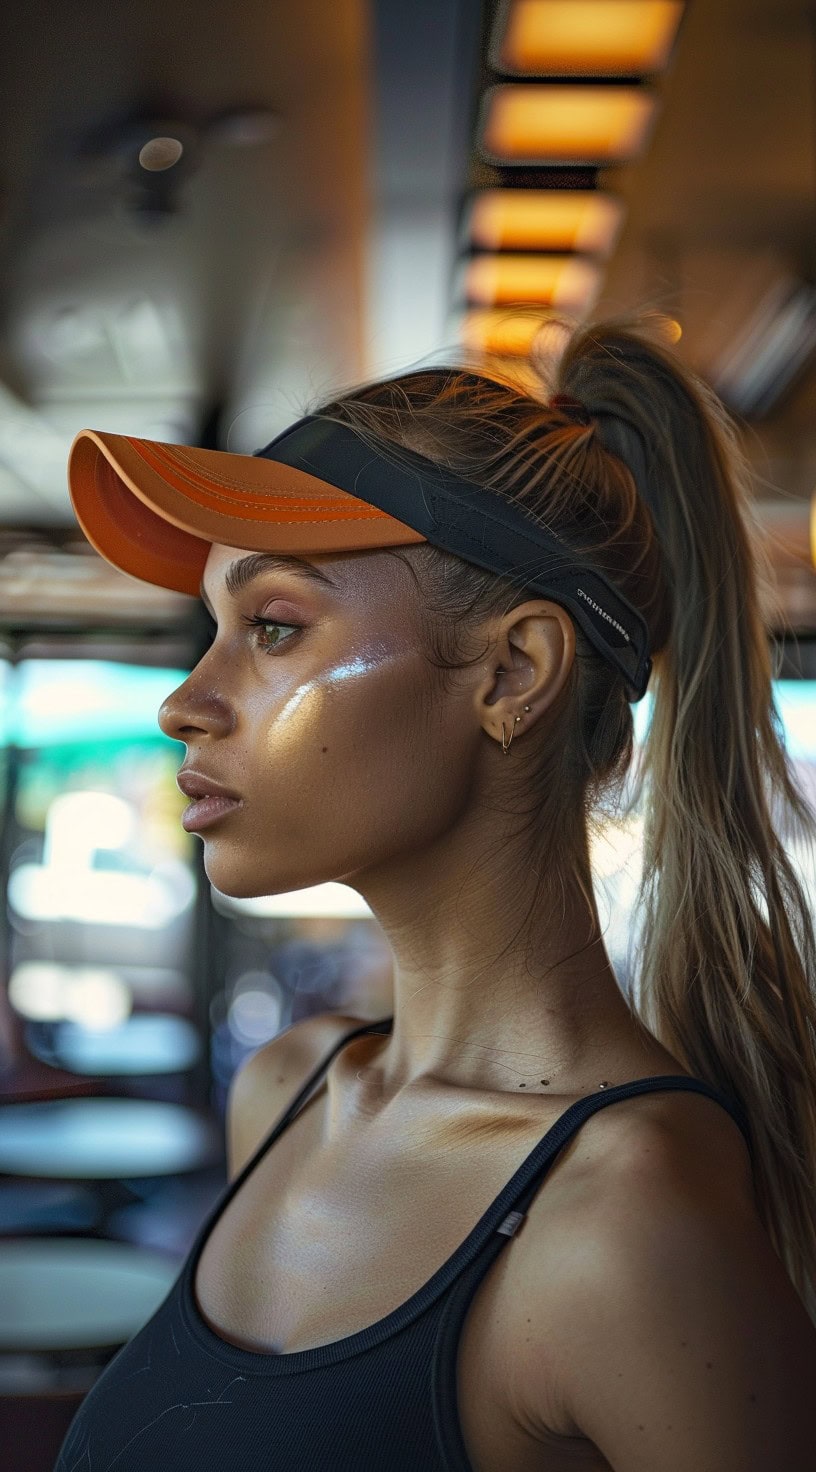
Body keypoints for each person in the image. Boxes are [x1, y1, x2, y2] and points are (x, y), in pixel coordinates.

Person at [56, 316, 816, 1470]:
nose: (186, 701)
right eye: (215, 628)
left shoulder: (625, 1221)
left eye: (271, 625)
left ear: (513, 673)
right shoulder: (286, 1088)